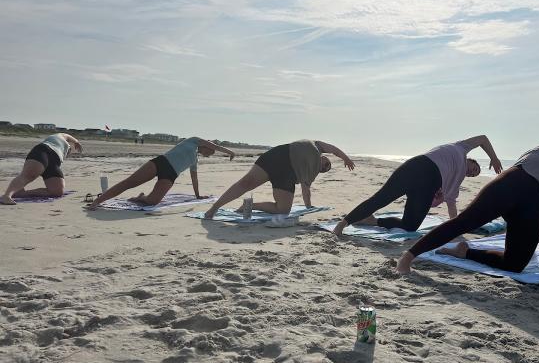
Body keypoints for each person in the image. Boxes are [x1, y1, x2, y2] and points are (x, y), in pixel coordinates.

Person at [396, 142, 539, 274]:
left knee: (515, 265)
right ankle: (407, 257)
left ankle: (464, 251)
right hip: (511, 184)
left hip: (531, 205)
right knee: (464, 222)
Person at [332, 135, 503, 236]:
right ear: (470, 160)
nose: (472, 173)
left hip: (429, 184)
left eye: (473, 175)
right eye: (474, 168)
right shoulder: (461, 147)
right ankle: (342, 224)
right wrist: (493, 158)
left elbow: (452, 207)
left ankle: (373, 220)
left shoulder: (455, 182)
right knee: (381, 198)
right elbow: (483, 139)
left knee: (411, 226)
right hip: (418, 166)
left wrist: (454, 230)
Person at [204, 140, 355, 218]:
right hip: (279, 156)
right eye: (327, 163)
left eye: (325, 169)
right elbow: (334, 149)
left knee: (283, 210)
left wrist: (308, 207)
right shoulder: (317, 146)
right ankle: (214, 208)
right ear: (324, 157)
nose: (325, 166)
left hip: (288, 174)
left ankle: (249, 206)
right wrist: (346, 158)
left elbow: (306, 190)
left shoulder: (311, 173)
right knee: (246, 183)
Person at [87, 137, 235, 209]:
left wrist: (197, 195)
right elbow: (215, 145)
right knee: (129, 182)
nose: (211, 153)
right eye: (211, 151)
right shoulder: (193, 141)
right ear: (206, 146)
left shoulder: (195, 160)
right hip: (161, 163)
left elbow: (194, 178)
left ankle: (142, 197)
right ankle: (97, 202)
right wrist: (229, 152)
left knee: (153, 202)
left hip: (171, 175)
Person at [1, 133, 83, 205]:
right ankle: (6, 196)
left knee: (57, 192)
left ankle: (20, 193)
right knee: (29, 176)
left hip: (55, 162)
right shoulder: (58, 137)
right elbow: (67, 135)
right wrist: (76, 142)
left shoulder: (63, 152)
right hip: (44, 151)